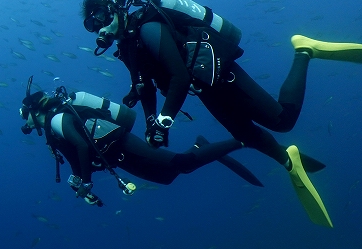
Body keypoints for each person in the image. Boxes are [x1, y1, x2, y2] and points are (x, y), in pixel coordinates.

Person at [81, 0, 362, 227]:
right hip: (205, 89)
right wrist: (151, 120)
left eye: (103, 19)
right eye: (94, 27)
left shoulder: (148, 29)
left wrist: (165, 120)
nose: (101, 29)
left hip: (221, 75)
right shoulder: (130, 45)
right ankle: (288, 159)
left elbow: (178, 76)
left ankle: (304, 50)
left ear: (116, 9)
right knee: (244, 134)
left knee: (282, 121)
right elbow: (144, 87)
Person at [18, 76, 263, 207]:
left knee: (183, 163)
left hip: (120, 142)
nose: (26, 124)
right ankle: (201, 146)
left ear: (33, 110)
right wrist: (82, 184)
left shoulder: (55, 119)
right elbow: (75, 155)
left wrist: (87, 183)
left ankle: (242, 140)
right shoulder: (54, 128)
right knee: (167, 177)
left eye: (25, 117)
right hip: (116, 155)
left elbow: (82, 146)